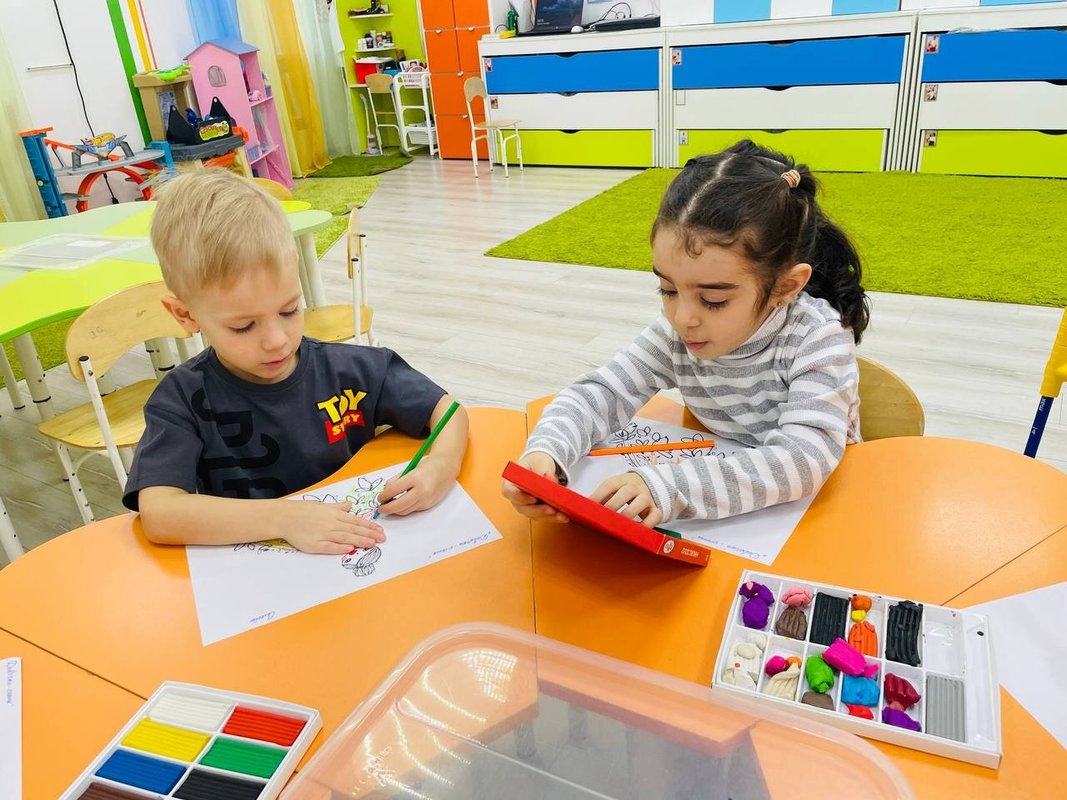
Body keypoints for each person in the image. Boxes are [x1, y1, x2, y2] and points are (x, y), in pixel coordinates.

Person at [504, 139, 869, 527]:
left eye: (713, 300)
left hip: (819, 514)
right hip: (729, 509)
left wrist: (671, 486)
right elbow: (603, 392)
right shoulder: (676, 335)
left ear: (786, 286)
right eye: (668, 289)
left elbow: (803, 459)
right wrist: (545, 452)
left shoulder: (818, 338)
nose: (683, 318)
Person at [123, 170, 468, 554]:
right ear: (185, 315)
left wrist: (441, 466)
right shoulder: (181, 399)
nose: (276, 340)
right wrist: (283, 519)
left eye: (289, 310)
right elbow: (160, 514)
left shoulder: (350, 370)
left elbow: (447, 410)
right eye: (243, 326)